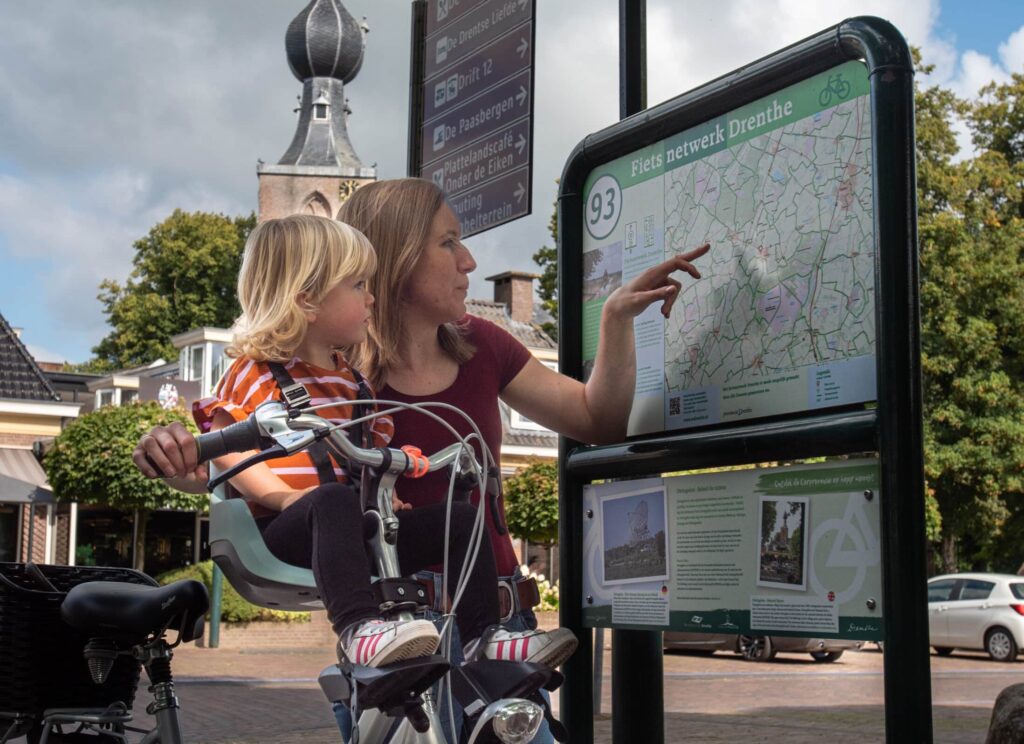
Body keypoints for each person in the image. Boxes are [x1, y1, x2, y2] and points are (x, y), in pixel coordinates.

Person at [140, 213, 565, 672]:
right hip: (282, 531)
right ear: (307, 299)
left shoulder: (354, 385)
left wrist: (397, 482)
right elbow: (230, 447)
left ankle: (486, 638)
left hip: (353, 527)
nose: (372, 297)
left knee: (459, 520)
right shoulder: (254, 373)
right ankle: (361, 629)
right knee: (332, 500)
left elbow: (368, 456)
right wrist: (284, 496)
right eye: (358, 285)